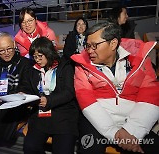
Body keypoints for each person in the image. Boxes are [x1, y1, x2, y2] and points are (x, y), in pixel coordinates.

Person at [71, 20, 159, 154]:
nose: (89, 51)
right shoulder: (82, 65)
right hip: (97, 119)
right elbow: (86, 101)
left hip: (132, 117)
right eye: (87, 46)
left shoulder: (140, 60)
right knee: (90, 148)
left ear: (113, 43)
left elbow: (150, 98)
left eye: (94, 46)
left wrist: (132, 131)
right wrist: (116, 135)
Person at [21, 37, 79, 154]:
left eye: (40, 56)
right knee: (30, 147)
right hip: (41, 114)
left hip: (63, 115)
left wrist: (49, 100)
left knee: (63, 151)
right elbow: (26, 86)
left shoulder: (65, 67)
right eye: (35, 57)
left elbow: (69, 92)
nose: (37, 60)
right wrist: (22, 93)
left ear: (48, 53)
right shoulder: (33, 69)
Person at [0, 31, 32, 154]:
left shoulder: (25, 63)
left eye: (9, 48)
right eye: (2, 50)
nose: (7, 53)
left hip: (13, 107)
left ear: (14, 44)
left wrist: (5, 96)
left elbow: (25, 88)